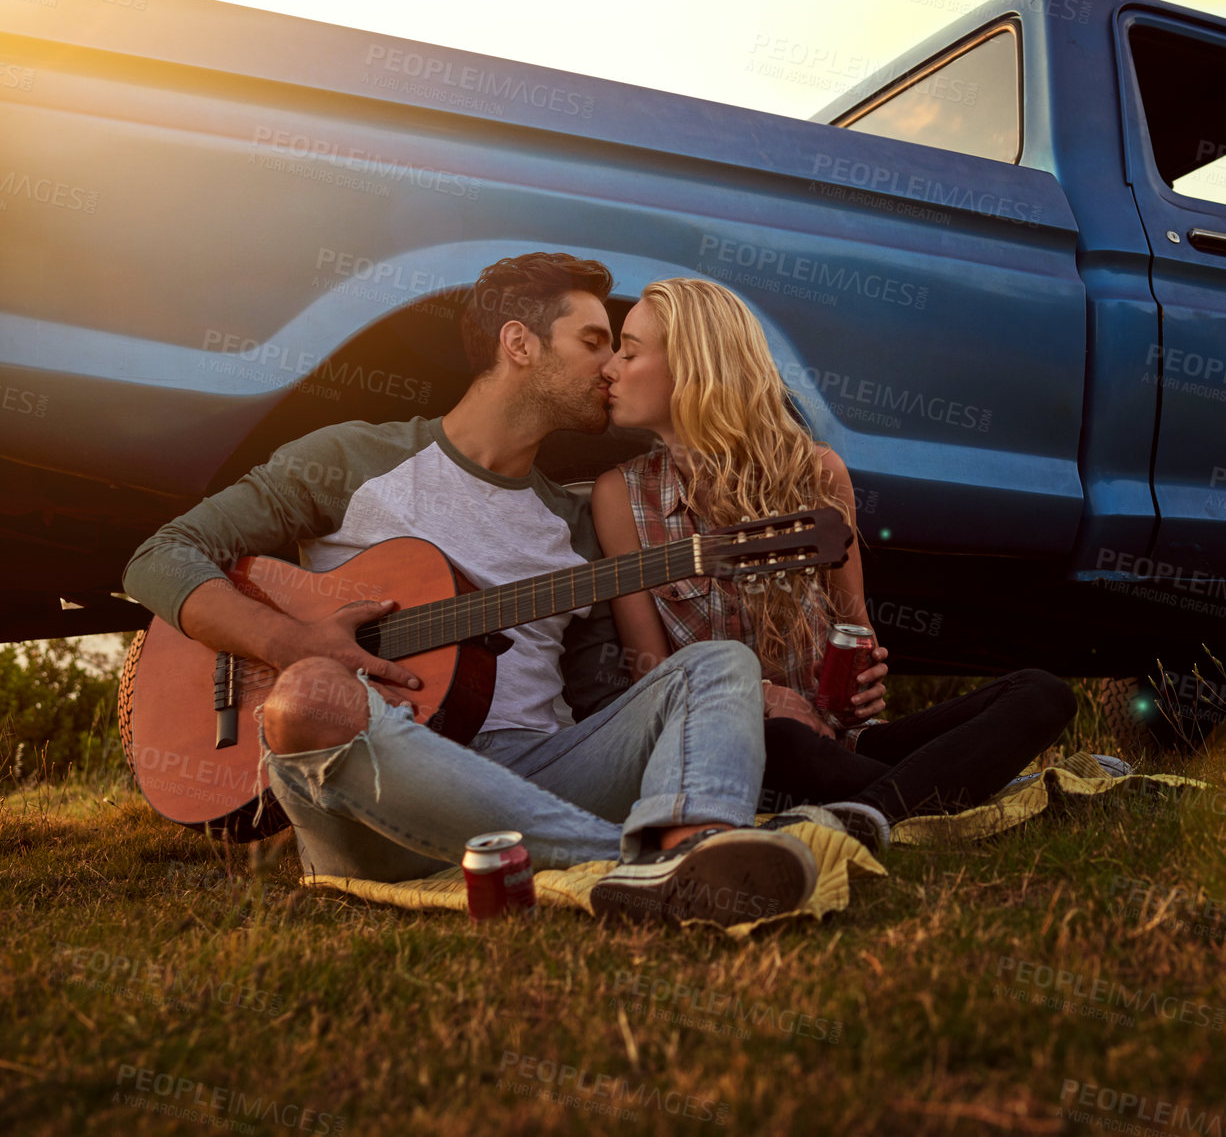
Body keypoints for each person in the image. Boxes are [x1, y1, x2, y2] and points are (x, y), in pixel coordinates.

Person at [123, 253, 827, 928]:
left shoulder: (577, 525)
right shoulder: (351, 460)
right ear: (519, 343)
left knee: (718, 667)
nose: (611, 366)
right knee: (308, 692)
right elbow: (158, 556)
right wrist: (293, 641)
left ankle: (698, 844)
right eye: (592, 342)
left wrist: (749, 698)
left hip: (537, 773)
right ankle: (638, 859)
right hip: (378, 792)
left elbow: (603, 697)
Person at [591, 278, 1079, 854]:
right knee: (787, 744)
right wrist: (759, 697)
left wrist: (866, 679)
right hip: (752, 751)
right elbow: (653, 678)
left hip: (845, 745)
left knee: (1043, 693)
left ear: (694, 367)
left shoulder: (817, 473)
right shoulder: (619, 497)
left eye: (630, 349)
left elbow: (856, 626)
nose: (610, 368)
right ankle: (930, 799)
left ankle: (863, 817)